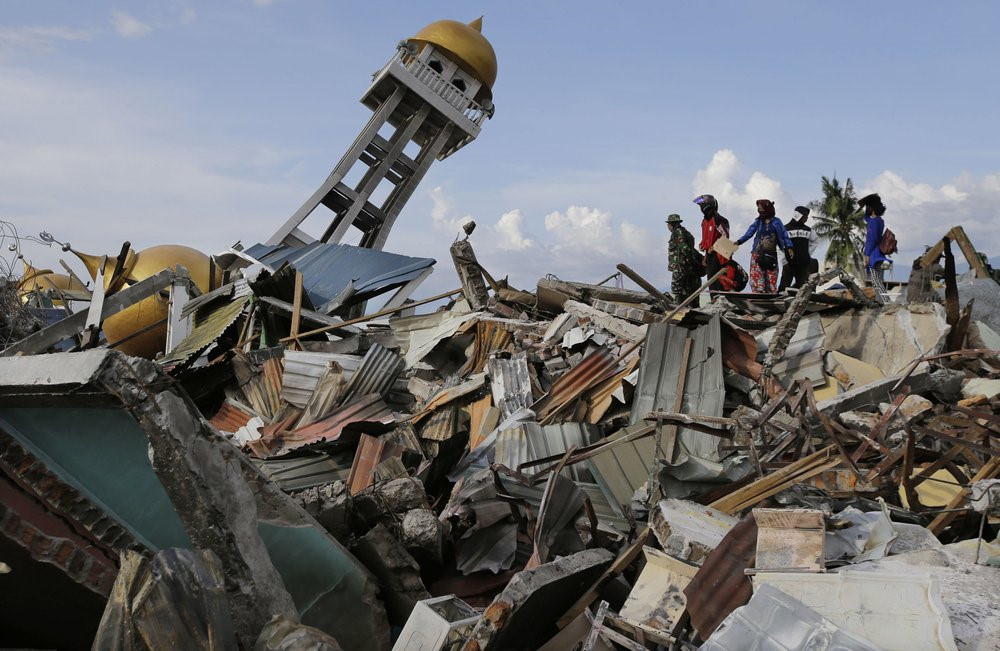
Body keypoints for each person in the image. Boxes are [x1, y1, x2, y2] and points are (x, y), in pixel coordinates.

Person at [735, 199, 794, 293]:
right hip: (757, 254)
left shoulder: (776, 222)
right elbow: (749, 233)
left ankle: (770, 295)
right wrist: (739, 241)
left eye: (762, 209)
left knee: (771, 277)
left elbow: (784, 234)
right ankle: (759, 294)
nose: (760, 211)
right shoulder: (758, 222)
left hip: (771, 255)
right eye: (759, 209)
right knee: (757, 276)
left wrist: (789, 247)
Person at [693, 194, 730, 290]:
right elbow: (707, 237)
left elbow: (725, 237)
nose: (700, 208)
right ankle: (714, 301)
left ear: (707, 205)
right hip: (710, 254)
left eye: (701, 205)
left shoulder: (719, 219)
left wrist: (714, 247)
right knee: (711, 280)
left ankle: (722, 301)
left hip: (720, 254)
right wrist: (704, 249)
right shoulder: (705, 221)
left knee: (720, 280)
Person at [778, 206, 819, 291]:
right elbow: (779, 245)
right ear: (798, 216)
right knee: (784, 286)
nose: (806, 218)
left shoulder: (808, 230)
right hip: (788, 263)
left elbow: (815, 241)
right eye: (805, 216)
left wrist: (807, 254)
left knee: (803, 288)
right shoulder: (785, 229)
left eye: (807, 216)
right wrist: (783, 260)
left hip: (803, 264)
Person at [859, 193, 891, 296]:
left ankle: (884, 301)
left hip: (873, 255)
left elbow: (871, 240)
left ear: (871, 209)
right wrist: (866, 205)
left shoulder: (873, 223)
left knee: (876, 281)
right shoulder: (879, 221)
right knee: (877, 280)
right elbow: (866, 218)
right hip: (879, 254)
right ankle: (882, 300)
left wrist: (867, 255)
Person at [666, 213, 701, 302]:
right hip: (685, 265)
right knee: (686, 288)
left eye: (668, 224)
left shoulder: (678, 232)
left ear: (671, 224)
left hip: (680, 265)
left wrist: (688, 261)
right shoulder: (684, 231)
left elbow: (684, 247)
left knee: (677, 287)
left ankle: (678, 308)